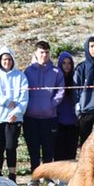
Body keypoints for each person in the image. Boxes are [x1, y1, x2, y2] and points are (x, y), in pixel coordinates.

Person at [0, 49, 28, 180]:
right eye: (4, 59)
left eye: (9, 59)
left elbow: (24, 97)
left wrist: (17, 112)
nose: (7, 62)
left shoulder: (20, 76)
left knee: (11, 146)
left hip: (13, 119)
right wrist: (6, 102)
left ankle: (12, 174)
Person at [23, 41, 65, 172]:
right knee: (33, 149)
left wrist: (51, 104)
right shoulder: (28, 71)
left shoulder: (56, 71)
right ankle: (35, 175)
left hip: (49, 116)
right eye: (41, 52)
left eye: (47, 52)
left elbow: (61, 90)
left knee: (48, 148)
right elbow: (24, 92)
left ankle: (48, 176)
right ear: (36, 53)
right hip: (31, 117)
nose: (44, 55)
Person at [55, 50, 79, 160]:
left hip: (73, 122)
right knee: (59, 152)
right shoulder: (56, 79)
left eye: (69, 63)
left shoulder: (75, 79)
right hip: (59, 122)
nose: (67, 66)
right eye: (64, 63)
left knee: (71, 153)